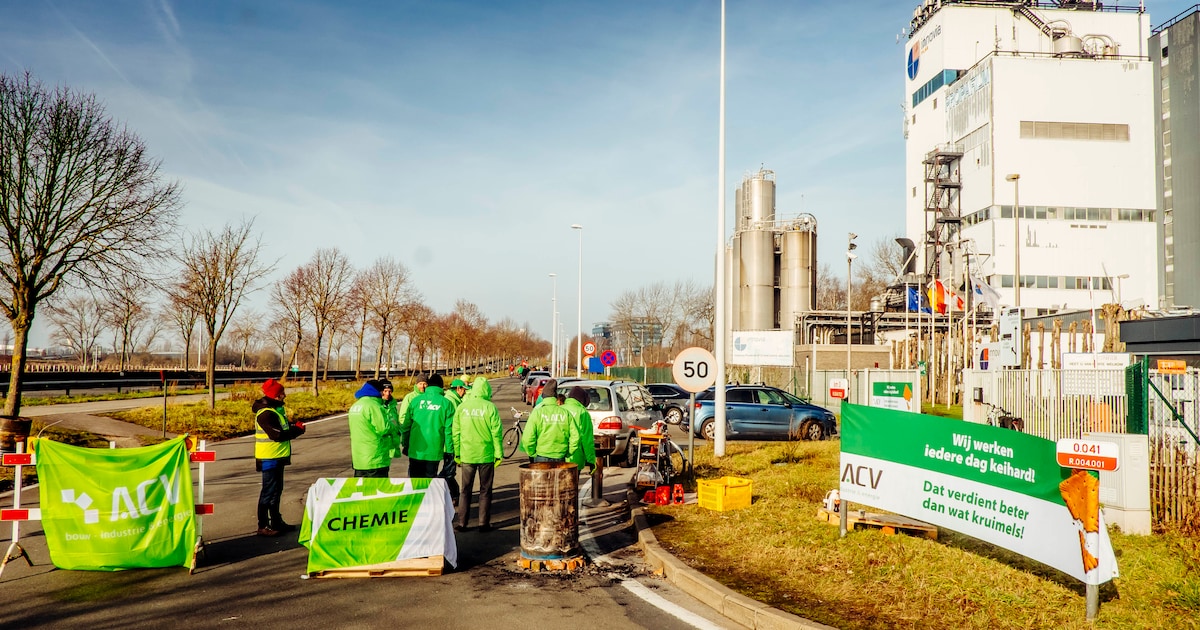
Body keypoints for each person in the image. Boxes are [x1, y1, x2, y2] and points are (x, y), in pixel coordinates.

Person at [253, 378, 305, 537]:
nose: (284, 395)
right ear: (275, 396)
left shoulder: (275, 410)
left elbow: (282, 429)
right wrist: (297, 431)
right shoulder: (266, 414)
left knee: (276, 491)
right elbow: (277, 435)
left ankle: (276, 521)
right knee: (268, 492)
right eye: (282, 393)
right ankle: (263, 525)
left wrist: (294, 426)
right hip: (269, 458)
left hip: (277, 456)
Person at [452, 377, 503, 532]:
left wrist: (457, 452)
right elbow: (496, 433)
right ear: (487, 390)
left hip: (467, 454)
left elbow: (456, 432)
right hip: (486, 455)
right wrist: (498, 454)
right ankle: (483, 523)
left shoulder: (463, 407)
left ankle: (462, 523)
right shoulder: (490, 408)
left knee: (465, 490)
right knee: (485, 490)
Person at [402, 374, 457, 502]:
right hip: (434, 450)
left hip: (415, 450)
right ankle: (427, 508)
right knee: (429, 483)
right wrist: (449, 451)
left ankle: (414, 509)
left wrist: (406, 443)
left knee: (415, 483)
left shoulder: (415, 401)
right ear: (441, 387)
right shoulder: (446, 404)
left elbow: (406, 426)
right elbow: (449, 431)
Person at [520, 380, 581, 464]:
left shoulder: (537, 412)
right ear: (555, 397)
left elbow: (528, 438)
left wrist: (532, 453)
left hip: (541, 456)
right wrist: (569, 452)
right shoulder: (565, 413)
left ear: (543, 396)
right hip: (560, 456)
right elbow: (575, 437)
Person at [349, 379, 399, 477]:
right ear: (378, 391)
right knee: (378, 491)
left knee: (361, 490)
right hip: (375, 457)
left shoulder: (355, 406)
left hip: (359, 458)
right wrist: (393, 426)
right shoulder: (374, 406)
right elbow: (383, 428)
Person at [562, 386, 597, 477]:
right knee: (572, 488)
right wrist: (591, 460)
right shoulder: (582, 412)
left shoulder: (560, 409)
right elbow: (587, 439)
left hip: (558, 456)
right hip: (575, 457)